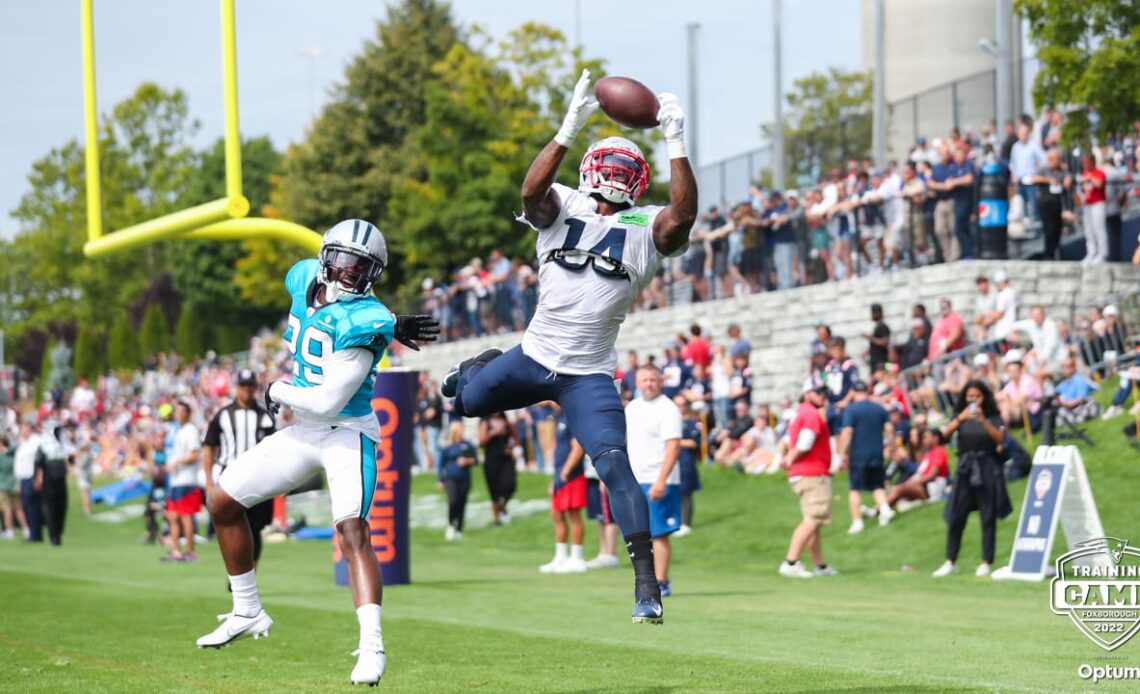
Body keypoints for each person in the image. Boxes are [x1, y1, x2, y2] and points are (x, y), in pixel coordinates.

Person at [440, 70, 696, 625]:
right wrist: (566, 128)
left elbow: (683, 217)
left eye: (625, 169)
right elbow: (531, 192)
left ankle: (646, 588)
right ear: (586, 168)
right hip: (534, 357)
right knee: (464, 402)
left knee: (615, 470)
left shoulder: (646, 226)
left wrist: (676, 141)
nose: (613, 175)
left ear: (639, 180)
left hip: (587, 377)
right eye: (607, 163)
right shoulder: (562, 205)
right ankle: (478, 367)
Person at [196, 219, 439, 687]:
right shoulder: (303, 275)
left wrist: (278, 388)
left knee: (352, 532)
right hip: (304, 431)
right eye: (344, 262)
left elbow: (329, 399)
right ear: (327, 258)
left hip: (347, 432)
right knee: (221, 502)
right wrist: (391, 322)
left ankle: (372, 646)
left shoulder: (367, 320)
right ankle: (247, 610)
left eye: (362, 267)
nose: (350, 273)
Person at [934, 381, 1012, 578]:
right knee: (956, 515)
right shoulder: (960, 415)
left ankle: (986, 561)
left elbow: (1000, 439)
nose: (973, 400)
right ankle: (950, 561)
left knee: (988, 516)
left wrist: (983, 421)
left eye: (977, 396)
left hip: (987, 467)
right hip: (965, 468)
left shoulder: (993, 416)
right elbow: (942, 436)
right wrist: (961, 418)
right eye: (970, 396)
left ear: (984, 397)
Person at [202, 369, 277, 569]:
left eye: (250, 385)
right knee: (230, 526)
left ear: (255, 387)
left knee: (255, 528)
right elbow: (209, 447)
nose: (246, 390)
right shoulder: (223, 415)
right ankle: (236, 573)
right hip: (228, 477)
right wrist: (209, 481)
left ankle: (251, 572)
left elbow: (273, 450)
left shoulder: (265, 416)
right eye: (243, 386)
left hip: (258, 479)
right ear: (237, 388)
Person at [624, 365, 683, 597]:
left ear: (660, 382)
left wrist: (662, 479)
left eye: (653, 380)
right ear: (637, 382)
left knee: (658, 533)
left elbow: (673, 445)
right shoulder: (632, 409)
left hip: (658, 477)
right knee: (639, 533)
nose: (649, 384)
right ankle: (646, 580)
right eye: (645, 380)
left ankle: (662, 580)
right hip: (635, 478)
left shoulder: (668, 408)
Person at [779, 378, 837, 579]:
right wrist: (789, 458)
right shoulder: (811, 414)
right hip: (812, 472)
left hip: (803, 473)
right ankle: (791, 561)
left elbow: (788, 441)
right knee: (813, 519)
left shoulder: (799, 413)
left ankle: (820, 565)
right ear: (807, 393)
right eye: (818, 391)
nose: (823, 396)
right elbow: (805, 443)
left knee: (814, 521)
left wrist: (787, 458)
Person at [837, 382, 894, 534]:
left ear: (854, 392)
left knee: (854, 488)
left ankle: (857, 521)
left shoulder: (851, 410)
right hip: (876, 452)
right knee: (877, 485)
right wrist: (892, 446)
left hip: (858, 454)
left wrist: (842, 453)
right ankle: (885, 508)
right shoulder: (879, 408)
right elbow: (889, 428)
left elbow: (847, 432)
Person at [539, 412, 588, 573]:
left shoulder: (573, 419)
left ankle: (577, 557)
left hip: (572, 476)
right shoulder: (561, 419)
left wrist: (565, 472)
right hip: (560, 476)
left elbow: (578, 448)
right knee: (557, 514)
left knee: (574, 515)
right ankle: (561, 556)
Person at [161, 401, 202, 562]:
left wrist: (177, 463)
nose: (179, 414)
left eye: (182, 411)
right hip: (177, 480)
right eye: (177, 411)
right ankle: (176, 550)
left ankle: (190, 551)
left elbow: (194, 454)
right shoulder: (179, 431)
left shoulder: (190, 431)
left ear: (188, 413)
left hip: (187, 480)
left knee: (185, 516)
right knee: (172, 516)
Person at [886, 428, 949, 509]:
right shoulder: (928, 454)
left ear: (936, 438)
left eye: (925, 437)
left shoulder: (939, 451)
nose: (923, 440)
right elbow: (919, 473)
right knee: (898, 489)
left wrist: (912, 484)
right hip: (923, 486)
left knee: (900, 489)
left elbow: (932, 475)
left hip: (930, 487)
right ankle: (880, 509)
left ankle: (880, 510)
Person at [437, 421, 477, 540]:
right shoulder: (448, 447)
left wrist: (467, 461)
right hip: (450, 477)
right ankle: (450, 524)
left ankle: (459, 528)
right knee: (453, 500)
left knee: (462, 502)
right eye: (460, 429)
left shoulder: (468, 445)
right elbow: (441, 464)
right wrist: (440, 480)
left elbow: (475, 460)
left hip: (464, 477)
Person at [479, 411, 517, 526]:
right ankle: (496, 520)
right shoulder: (485, 421)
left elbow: (515, 437)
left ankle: (503, 507)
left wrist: (511, 446)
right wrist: (493, 433)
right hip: (491, 458)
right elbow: (481, 441)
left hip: (506, 458)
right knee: (494, 490)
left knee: (510, 485)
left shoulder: (506, 421)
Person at [673, 396, 702, 537]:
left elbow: (694, 442)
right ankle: (677, 521)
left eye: (682, 405)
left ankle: (686, 523)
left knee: (685, 493)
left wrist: (674, 442)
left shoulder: (691, 423)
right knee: (675, 492)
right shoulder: (670, 421)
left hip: (686, 461)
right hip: (673, 461)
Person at [15, 423, 43, 542]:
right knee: (27, 506)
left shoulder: (36, 442)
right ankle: (33, 532)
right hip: (24, 479)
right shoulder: (23, 443)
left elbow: (40, 462)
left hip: (32, 477)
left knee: (33, 507)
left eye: (24, 429)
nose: (23, 432)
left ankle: (35, 534)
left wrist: (39, 478)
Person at [1079, 152, 1107, 264]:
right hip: (1087, 204)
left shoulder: (1099, 173)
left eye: (1087, 162)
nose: (1085, 164)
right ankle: (1091, 252)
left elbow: (1099, 185)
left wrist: (1090, 178)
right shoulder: (1084, 173)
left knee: (1099, 229)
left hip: (1098, 203)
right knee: (1088, 230)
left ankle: (1102, 253)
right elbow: (1082, 190)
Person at [0, 435, 25, 539]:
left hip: (4, 486)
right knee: (19, 509)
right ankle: (26, 529)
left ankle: (10, 531)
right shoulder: (14, 455)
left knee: (7, 509)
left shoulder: (3, 457)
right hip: (15, 485)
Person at [865, 303, 891, 374]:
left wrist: (871, 338)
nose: (872, 314)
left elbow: (885, 342)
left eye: (874, 312)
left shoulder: (883, 327)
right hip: (874, 362)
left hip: (881, 362)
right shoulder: (876, 327)